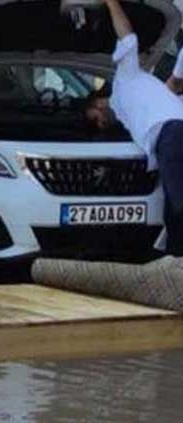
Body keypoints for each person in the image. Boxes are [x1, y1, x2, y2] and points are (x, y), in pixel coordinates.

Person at [84, 0, 183, 256]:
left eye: (92, 116)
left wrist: (111, 3)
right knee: (172, 212)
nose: (97, 123)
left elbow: (128, 37)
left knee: (180, 207)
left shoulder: (125, 78)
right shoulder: (123, 116)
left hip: (173, 134)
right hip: (169, 139)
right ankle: (173, 265)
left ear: (97, 100)